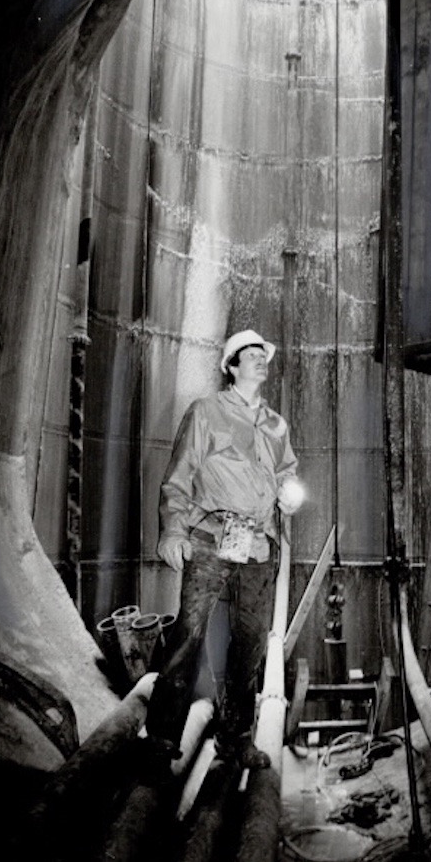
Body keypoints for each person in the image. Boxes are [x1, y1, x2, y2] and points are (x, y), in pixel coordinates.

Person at [144, 329, 305, 774]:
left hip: (256, 544)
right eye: (251, 356)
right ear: (231, 366)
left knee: (250, 644)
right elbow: (180, 474)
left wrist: (290, 493)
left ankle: (235, 740)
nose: (260, 362)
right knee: (189, 635)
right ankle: (160, 738)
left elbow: (288, 471)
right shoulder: (206, 412)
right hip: (210, 537)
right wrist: (172, 532)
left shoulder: (276, 424)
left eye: (263, 356)